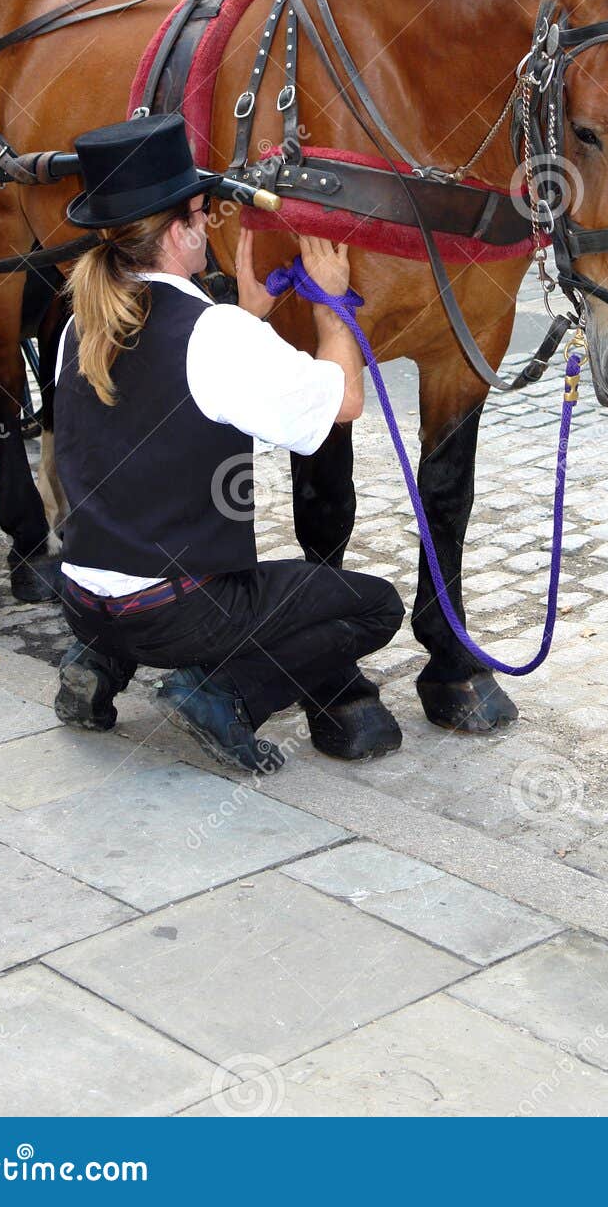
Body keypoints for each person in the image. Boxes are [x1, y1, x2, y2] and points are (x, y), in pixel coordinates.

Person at [52, 113, 405, 774]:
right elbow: (342, 401)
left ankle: (95, 664)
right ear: (184, 226)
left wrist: (246, 315)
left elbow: (174, 386)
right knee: (373, 607)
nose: (209, 223)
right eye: (202, 212)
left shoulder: (81, 325)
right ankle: (218, 693)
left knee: (135, 542)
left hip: (82, 602)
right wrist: (333, 309)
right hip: (172, 617)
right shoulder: (212, 334)